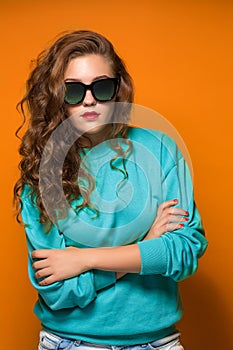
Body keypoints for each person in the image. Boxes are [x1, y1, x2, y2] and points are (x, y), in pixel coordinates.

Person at [14, 30, 208, 350]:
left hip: (157, 342)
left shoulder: (159, 150)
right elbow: (59, 291)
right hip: (70, 342)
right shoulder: (42, 169)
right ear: (56, 95)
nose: (89, 99)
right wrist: (146, 246)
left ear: (118, 89)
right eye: (73, 91)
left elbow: (183, 252)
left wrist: (84, 259)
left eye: (101, 87)